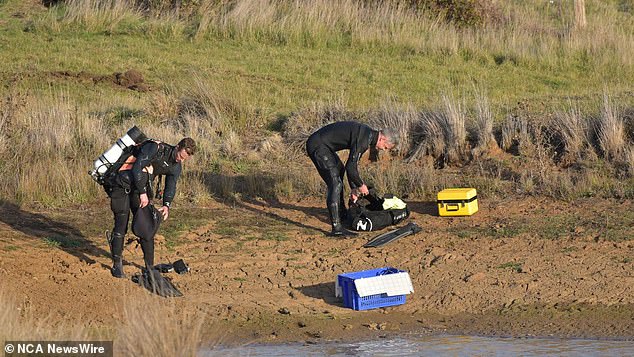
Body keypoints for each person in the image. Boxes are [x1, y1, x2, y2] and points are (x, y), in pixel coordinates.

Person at [105, 137, 196, 278]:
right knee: (121, 225)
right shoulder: (155, 148)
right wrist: (143, 193)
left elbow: (171, 185)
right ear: (177, 147)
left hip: (138, 188)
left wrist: (166, 205)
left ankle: (149, 268)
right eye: (180, 156)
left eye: (184, 159)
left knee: (147, 225)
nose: (181, 160)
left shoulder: (176, 165)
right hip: (121, 185)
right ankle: (117, 265)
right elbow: (136, 169)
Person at [306, 121, 398, 237]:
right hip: (317, 145)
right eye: (385, 147)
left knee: (339, 170)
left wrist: (354, 188)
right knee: (335, 183)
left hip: (323, 145)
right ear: (383, 139)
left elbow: (350, 167)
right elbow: (351, 167)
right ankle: (337, 229)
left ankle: (341, 213)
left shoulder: (367, 134)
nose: (384, 150)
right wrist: (360, 185)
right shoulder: (364, 139)